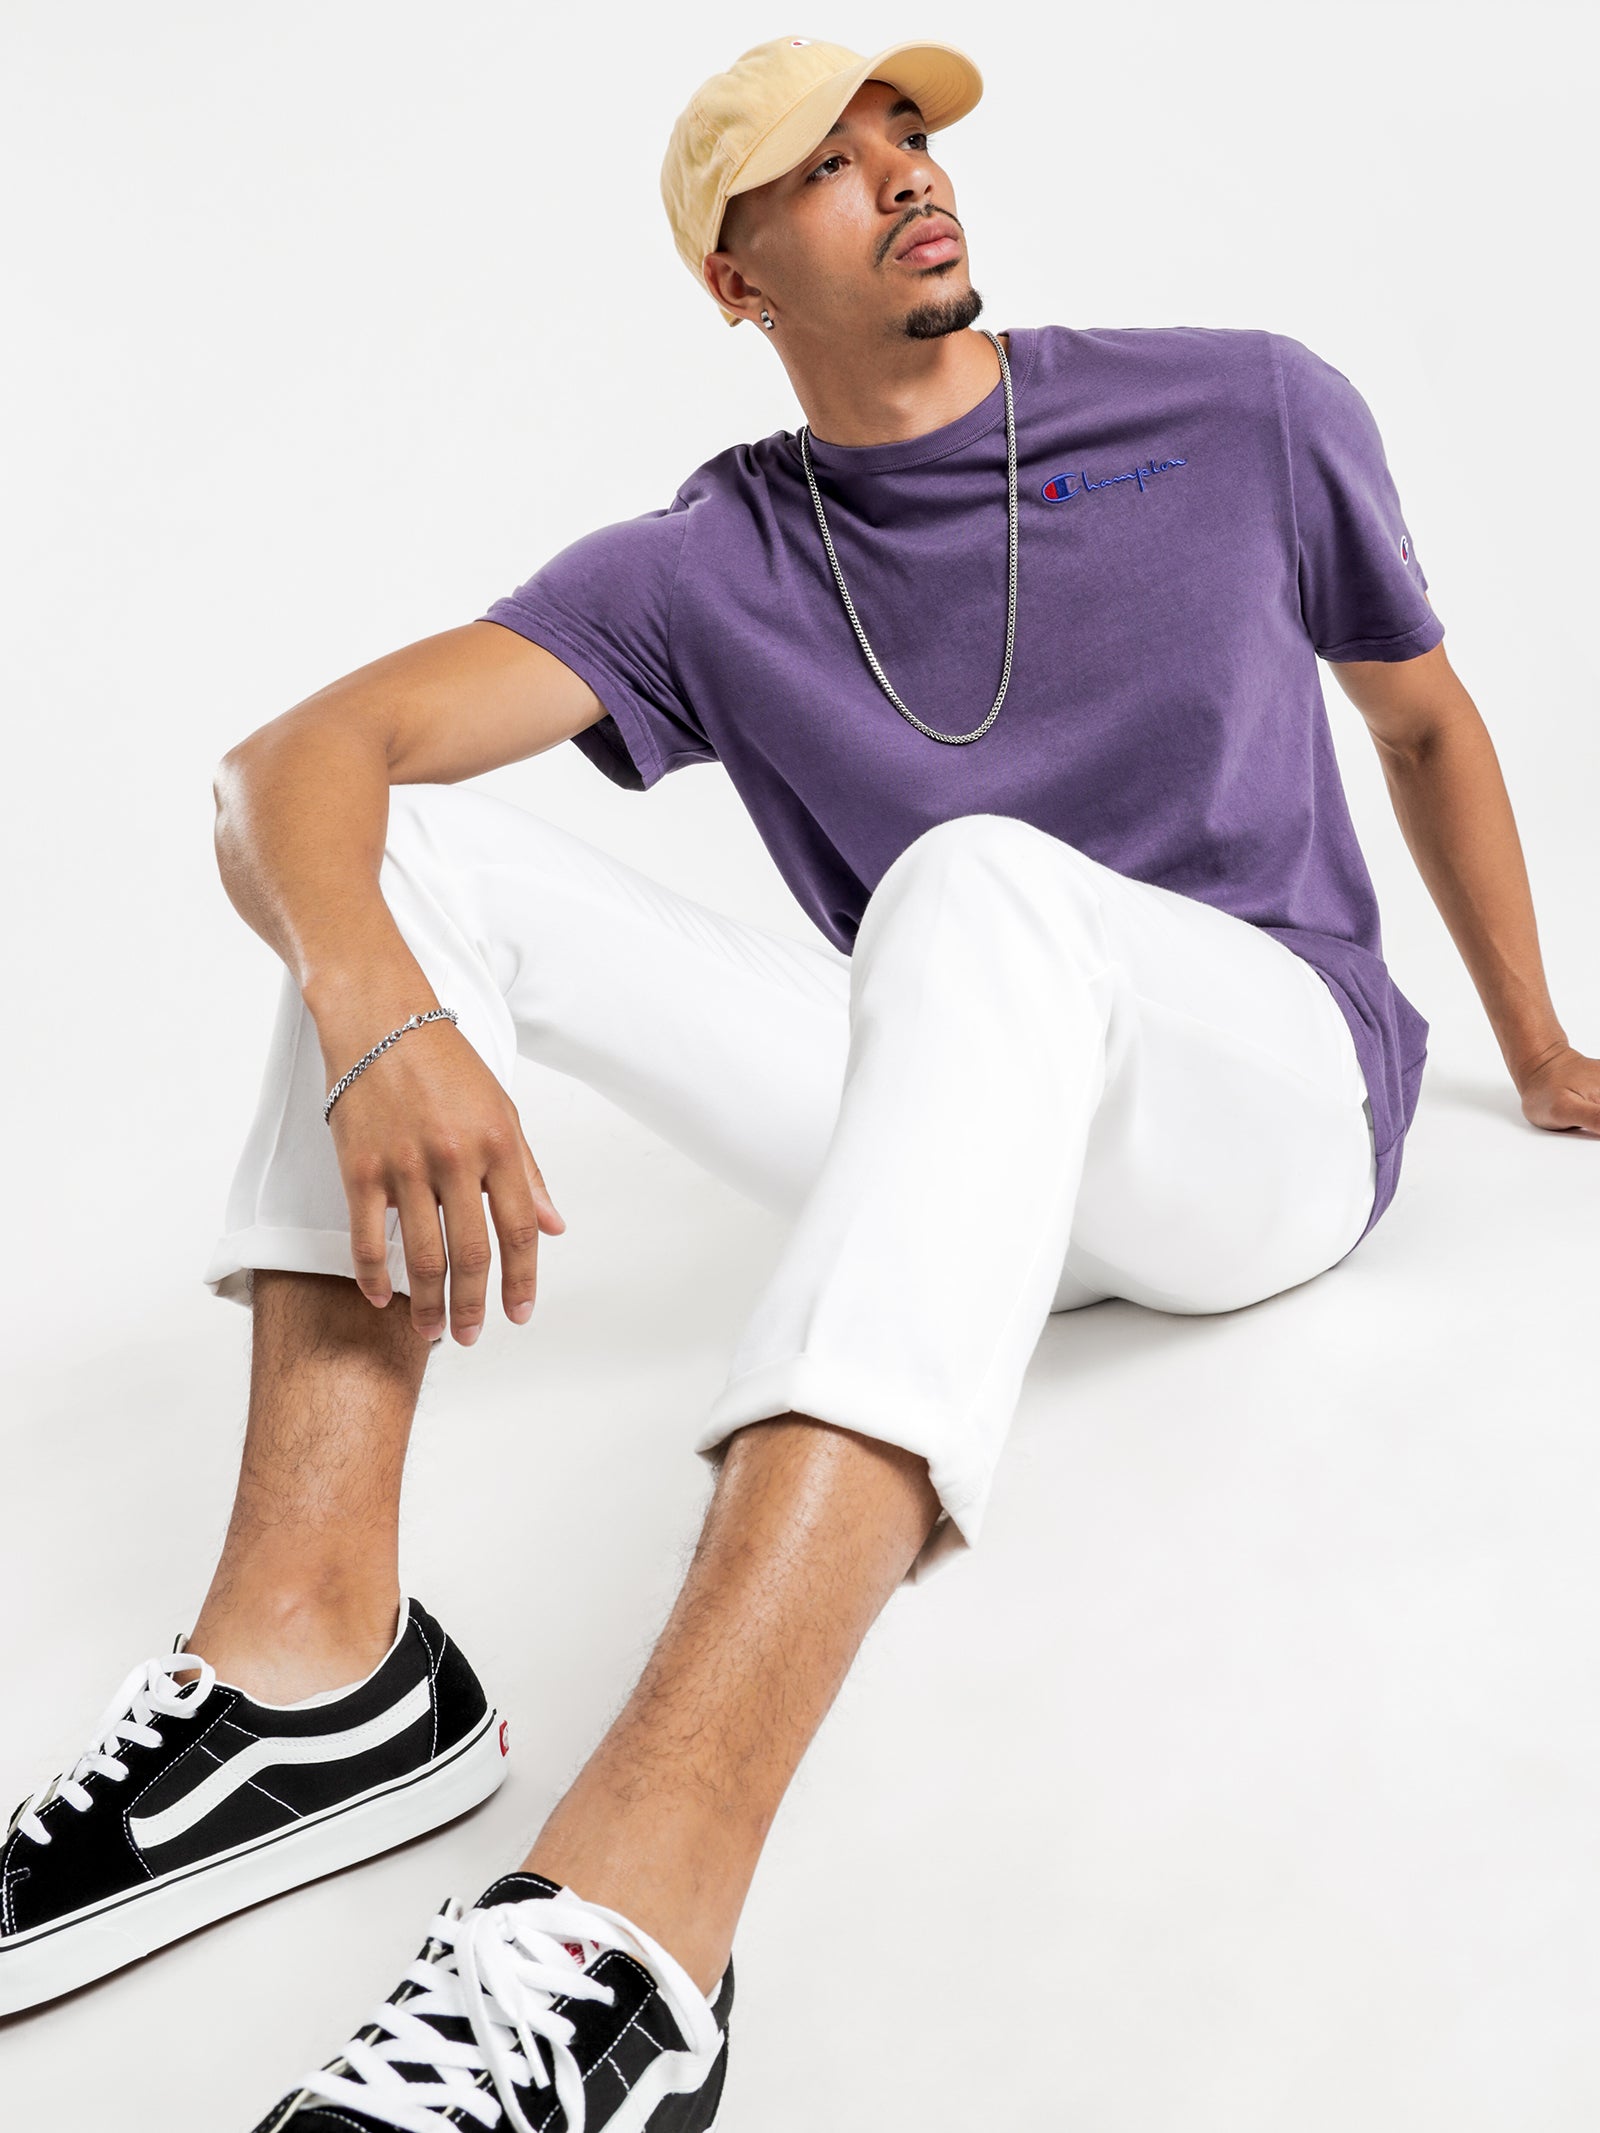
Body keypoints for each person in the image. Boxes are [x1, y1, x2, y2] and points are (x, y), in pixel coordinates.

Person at [4, 30, 1595, 2128]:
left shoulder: (1245, 408)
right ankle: (312, 1661)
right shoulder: (712, 559)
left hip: (1263, 1105)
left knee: (973, 882)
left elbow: (1420, 720)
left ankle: (634, 1917)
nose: (906, 175)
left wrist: (1535, 1048)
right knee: (402, 855)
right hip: (971, 1105)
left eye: (906, 136)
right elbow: (285, 766)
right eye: (827, 167)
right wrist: (386, 1015)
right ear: (733, 280)